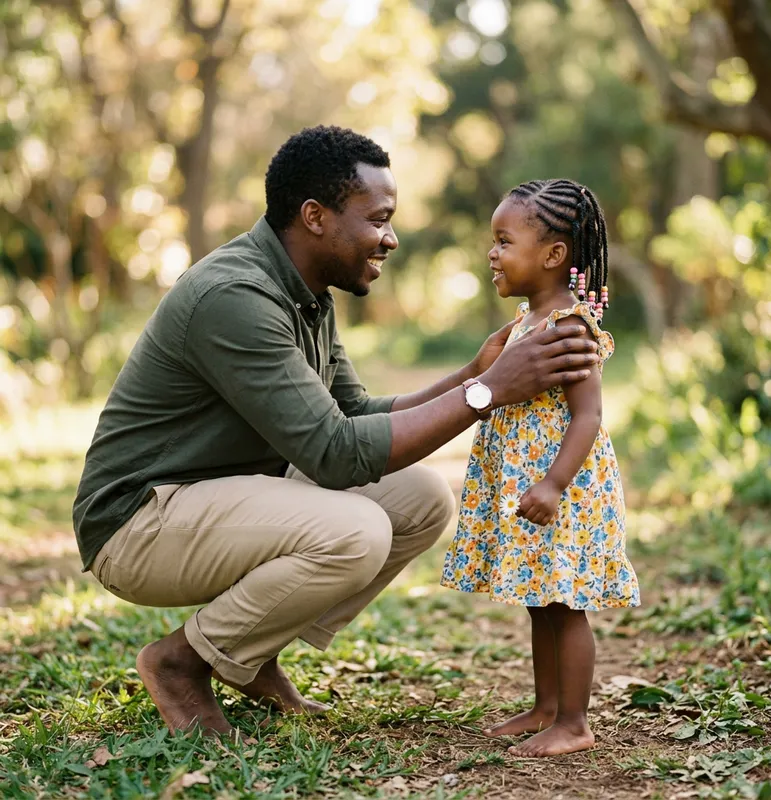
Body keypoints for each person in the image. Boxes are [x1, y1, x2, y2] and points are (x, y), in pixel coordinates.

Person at [73, 128, 600, 737]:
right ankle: (180, 663)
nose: (391, 238)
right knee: (356, 532)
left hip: (209, 498)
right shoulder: (236, 296)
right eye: (378, 220)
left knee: (422, 499)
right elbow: (336, 454)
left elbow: (353, 411)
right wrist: (487, 392)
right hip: (139, 521)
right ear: (315, 217)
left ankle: (247, 655)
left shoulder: (305, 294)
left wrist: (470, 375)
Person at [441, 179, 640, 758]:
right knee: (539, 597)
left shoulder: (569, 326)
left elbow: (588, 416)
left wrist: (553, 483)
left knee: (565, 604)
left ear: (553, 255)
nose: (492, 253)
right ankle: (546, 707)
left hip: (563, 487)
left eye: (504, 241)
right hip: (531, 487)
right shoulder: (524, 324)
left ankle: (575, 722)